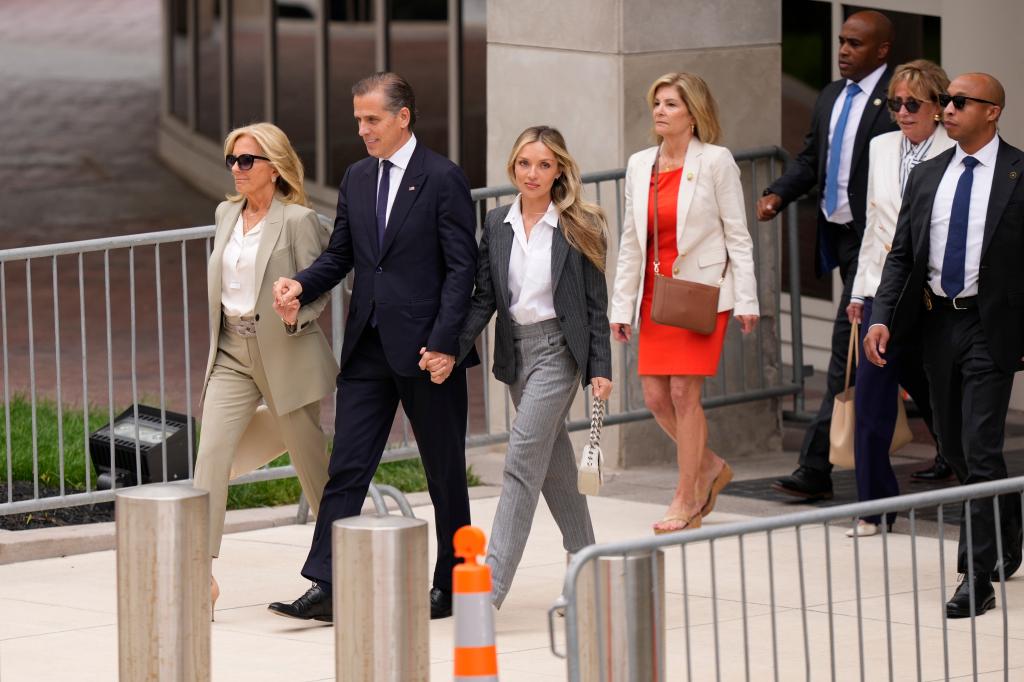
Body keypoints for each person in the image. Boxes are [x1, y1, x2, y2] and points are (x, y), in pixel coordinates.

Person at [267, 72, 478, 621]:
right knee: (348, 466)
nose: (362, 130)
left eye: (372, 119)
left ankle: (453, 583)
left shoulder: (442, 178)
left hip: (428, 352)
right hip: (367, 348)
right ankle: (329, 583)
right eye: (358, 120)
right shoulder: (357, 177)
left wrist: (445, 343)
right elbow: (342, 255)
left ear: (402, 116)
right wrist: (302, 284)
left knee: (444, 471)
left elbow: (462, 270)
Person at [427, 125, 612, 607]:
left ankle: (489, 589)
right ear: (513, 167)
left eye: (544, 165)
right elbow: (485, 298)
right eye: (525, 164)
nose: (533, 174)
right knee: (551, 465)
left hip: (559, 353)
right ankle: (586, 558)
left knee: (520, 463)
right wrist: (449, 347)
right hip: (517, 353)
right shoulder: (496, 224)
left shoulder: (581, 224)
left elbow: (595, 305)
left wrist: (600, 367)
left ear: (559, 171)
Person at [864, 73, 1024, 617]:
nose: (947, 109)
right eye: (947, 100)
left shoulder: (1019, 174)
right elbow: (902, 256)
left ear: (993, 112)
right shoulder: (930, 174)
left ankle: (974, 579)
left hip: (989, 327)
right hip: (935, 325)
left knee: (979, 449)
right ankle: (1009, 515)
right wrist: (881, 316)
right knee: (955, 449)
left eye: (960, 102)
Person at [192, 122, 336, 615]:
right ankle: (200, 576)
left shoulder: (297, 221)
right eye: (231, 160)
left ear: (273, 168)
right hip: (232, 350)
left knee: (311, 465)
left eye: (246, 161)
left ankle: (343, 566)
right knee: (211, 454)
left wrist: (299, 309)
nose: (236, 169)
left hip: (285, 351)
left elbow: (318, 286)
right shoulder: (225, 213)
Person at [609, 73, 759, 534]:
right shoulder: (640, 165)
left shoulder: (715, 161)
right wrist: (621, 307)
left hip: (700, 295)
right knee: (655, 398)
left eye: (671, 104)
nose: (660, 111)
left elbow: (738, 234)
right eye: (657, 102)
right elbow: (633, 242)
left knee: (682, 393)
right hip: (655, 295)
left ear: (693, 114)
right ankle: (710, 466)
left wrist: (748, 299)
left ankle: (687, 497)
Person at [758, 10, 898, 501]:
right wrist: (778, 194)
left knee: (847, 345)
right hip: (838, 236)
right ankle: (947, 444)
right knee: (905, 354)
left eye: (855, 43)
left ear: (882, 50)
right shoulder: (831, 96)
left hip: (875, 241)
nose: (843, 50)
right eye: (841, 41)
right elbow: (812, 157)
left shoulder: (894, 101)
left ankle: (816, 466)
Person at [844, 60, 954, 537]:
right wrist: (857, 292)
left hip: (934, 297)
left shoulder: (957, 150)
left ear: (938, 107)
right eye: (896, 104)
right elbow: (874, 222)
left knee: (940, 398)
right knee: (870, 400)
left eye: (913, 104)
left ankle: (963, 474)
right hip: (881, 295)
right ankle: (874, 507)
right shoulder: (881, 146)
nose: (903, 113)